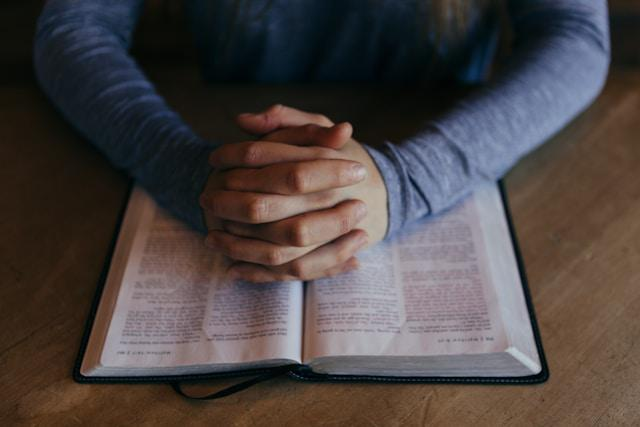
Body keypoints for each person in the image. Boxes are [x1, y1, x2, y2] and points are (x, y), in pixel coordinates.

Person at [34, 0, 610, 282]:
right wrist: (196, 174)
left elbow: (576, 34)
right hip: (232, 139)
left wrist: (405, 180)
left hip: (442, 133)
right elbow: (73, 29)